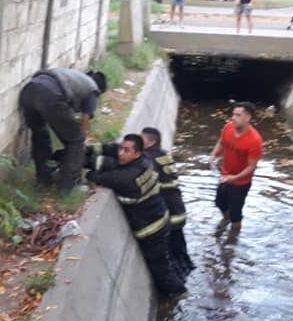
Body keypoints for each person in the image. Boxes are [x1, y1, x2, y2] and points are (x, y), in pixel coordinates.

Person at [88, 135, 186, 298]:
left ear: (137, 153)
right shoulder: (145, 160)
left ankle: (179, 293)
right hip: (159, 220)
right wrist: (89, 149)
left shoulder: (129, 178)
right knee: (165, 262)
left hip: (151, 230)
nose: (121, 153)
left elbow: (101, 178)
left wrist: (91, 170)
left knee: (160, 268)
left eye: (126, 150)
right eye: (121, 148)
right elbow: (113, 149)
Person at [18, 68, 107, 192]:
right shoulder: (93, 90)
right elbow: (84, 121)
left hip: (28, 90)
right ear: (100, 90)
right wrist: (81, 142)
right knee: (76, 141)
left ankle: (43, 179)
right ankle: (67, 187)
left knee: (40, 133)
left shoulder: (75, 77)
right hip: (50, 95)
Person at [141, 127, 194, 276]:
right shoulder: (163, 155)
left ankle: (179, 276)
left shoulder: (149, 160)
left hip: (169, 213)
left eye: (142, 138)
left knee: (171, 251)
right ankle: (186, 268)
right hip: (178, 210)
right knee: (179, 247)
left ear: (151, 141)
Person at [210, 102, 263, 234]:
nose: (233, 118)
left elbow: (251, 167)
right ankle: (225, 219)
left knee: (236, 213)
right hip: (224, 176)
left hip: (240, 183)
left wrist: (234, 178)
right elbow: (221, 142)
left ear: (247, 118)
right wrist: (214, 154)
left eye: (238, 115)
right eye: (233, 114)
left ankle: (233, 237)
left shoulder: (255, 140)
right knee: (219, 203)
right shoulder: (228, 127)